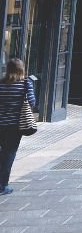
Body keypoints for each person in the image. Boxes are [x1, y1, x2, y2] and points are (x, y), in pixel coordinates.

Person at [0, 59, 35, 195]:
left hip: (1, 123)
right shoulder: (25, 83)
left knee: (3, 152)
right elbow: (31, 102)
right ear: (21, 69)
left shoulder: (1, 83)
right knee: (9, 153)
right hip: (16, 125)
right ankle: (3, 185)